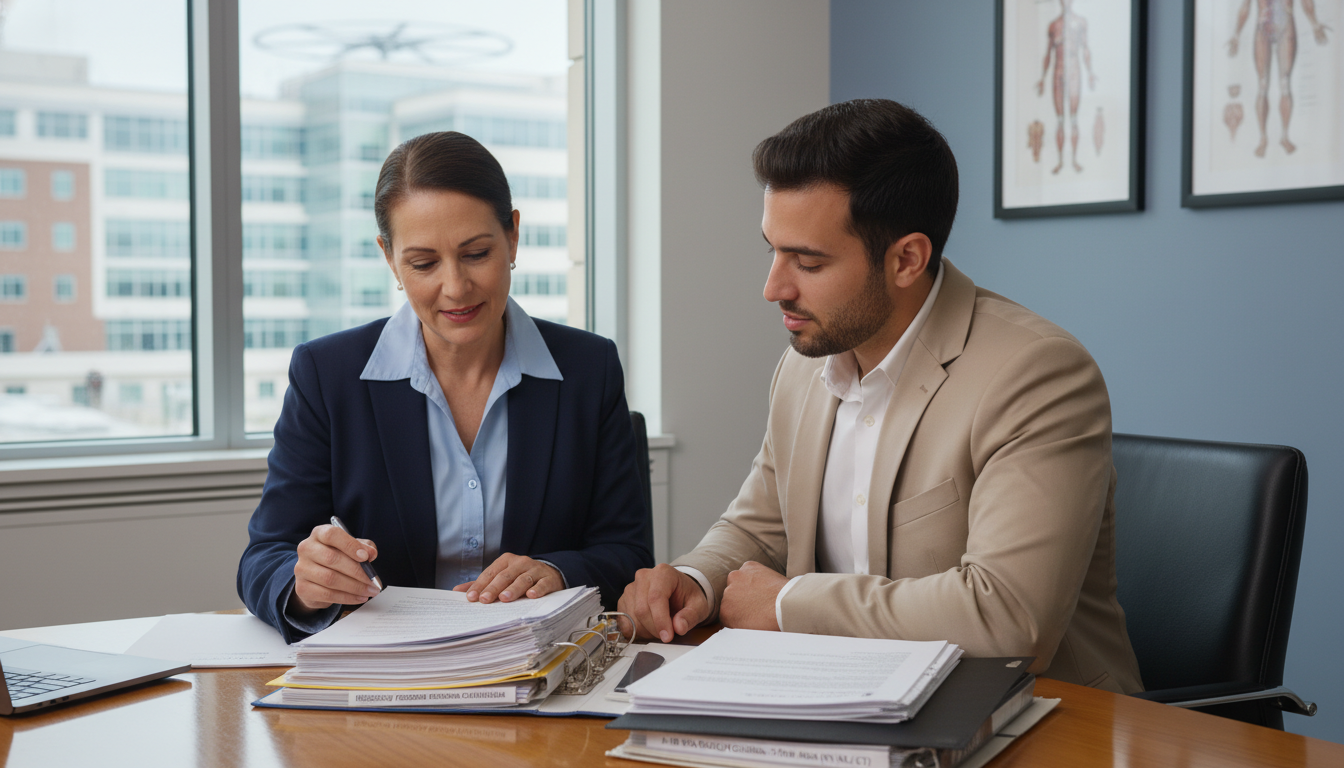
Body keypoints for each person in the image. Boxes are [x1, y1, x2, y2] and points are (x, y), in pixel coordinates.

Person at [618, 99, 1144, 694]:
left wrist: (791, 604)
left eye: (808, 262)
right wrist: (697, 579)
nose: (773, 288)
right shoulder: (802, 367)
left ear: (907, 259)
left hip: (1034, 718)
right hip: (848, 699)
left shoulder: (1035, 374)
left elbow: (1008, 618)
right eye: (773, 250)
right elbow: (762, 529)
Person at [239, 131, 652, 642]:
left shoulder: (590, 368)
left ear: (513, 237)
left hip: (534, 671)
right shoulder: (327, 374)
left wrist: (558, 571)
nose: (455, 288)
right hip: (386, 677)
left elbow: (629, 553)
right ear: (390, 259)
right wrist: (306, 582)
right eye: (423, 263)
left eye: (476, 253)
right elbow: (264, 557)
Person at [1228, 0, 1331, 157]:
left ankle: (1284, 136)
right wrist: (1236, 34)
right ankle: (1263, 139)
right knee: (1262, 86)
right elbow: (1245, 6)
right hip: (1263, 27)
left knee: (1285, 84)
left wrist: (1315, 24)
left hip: (1286, 26)